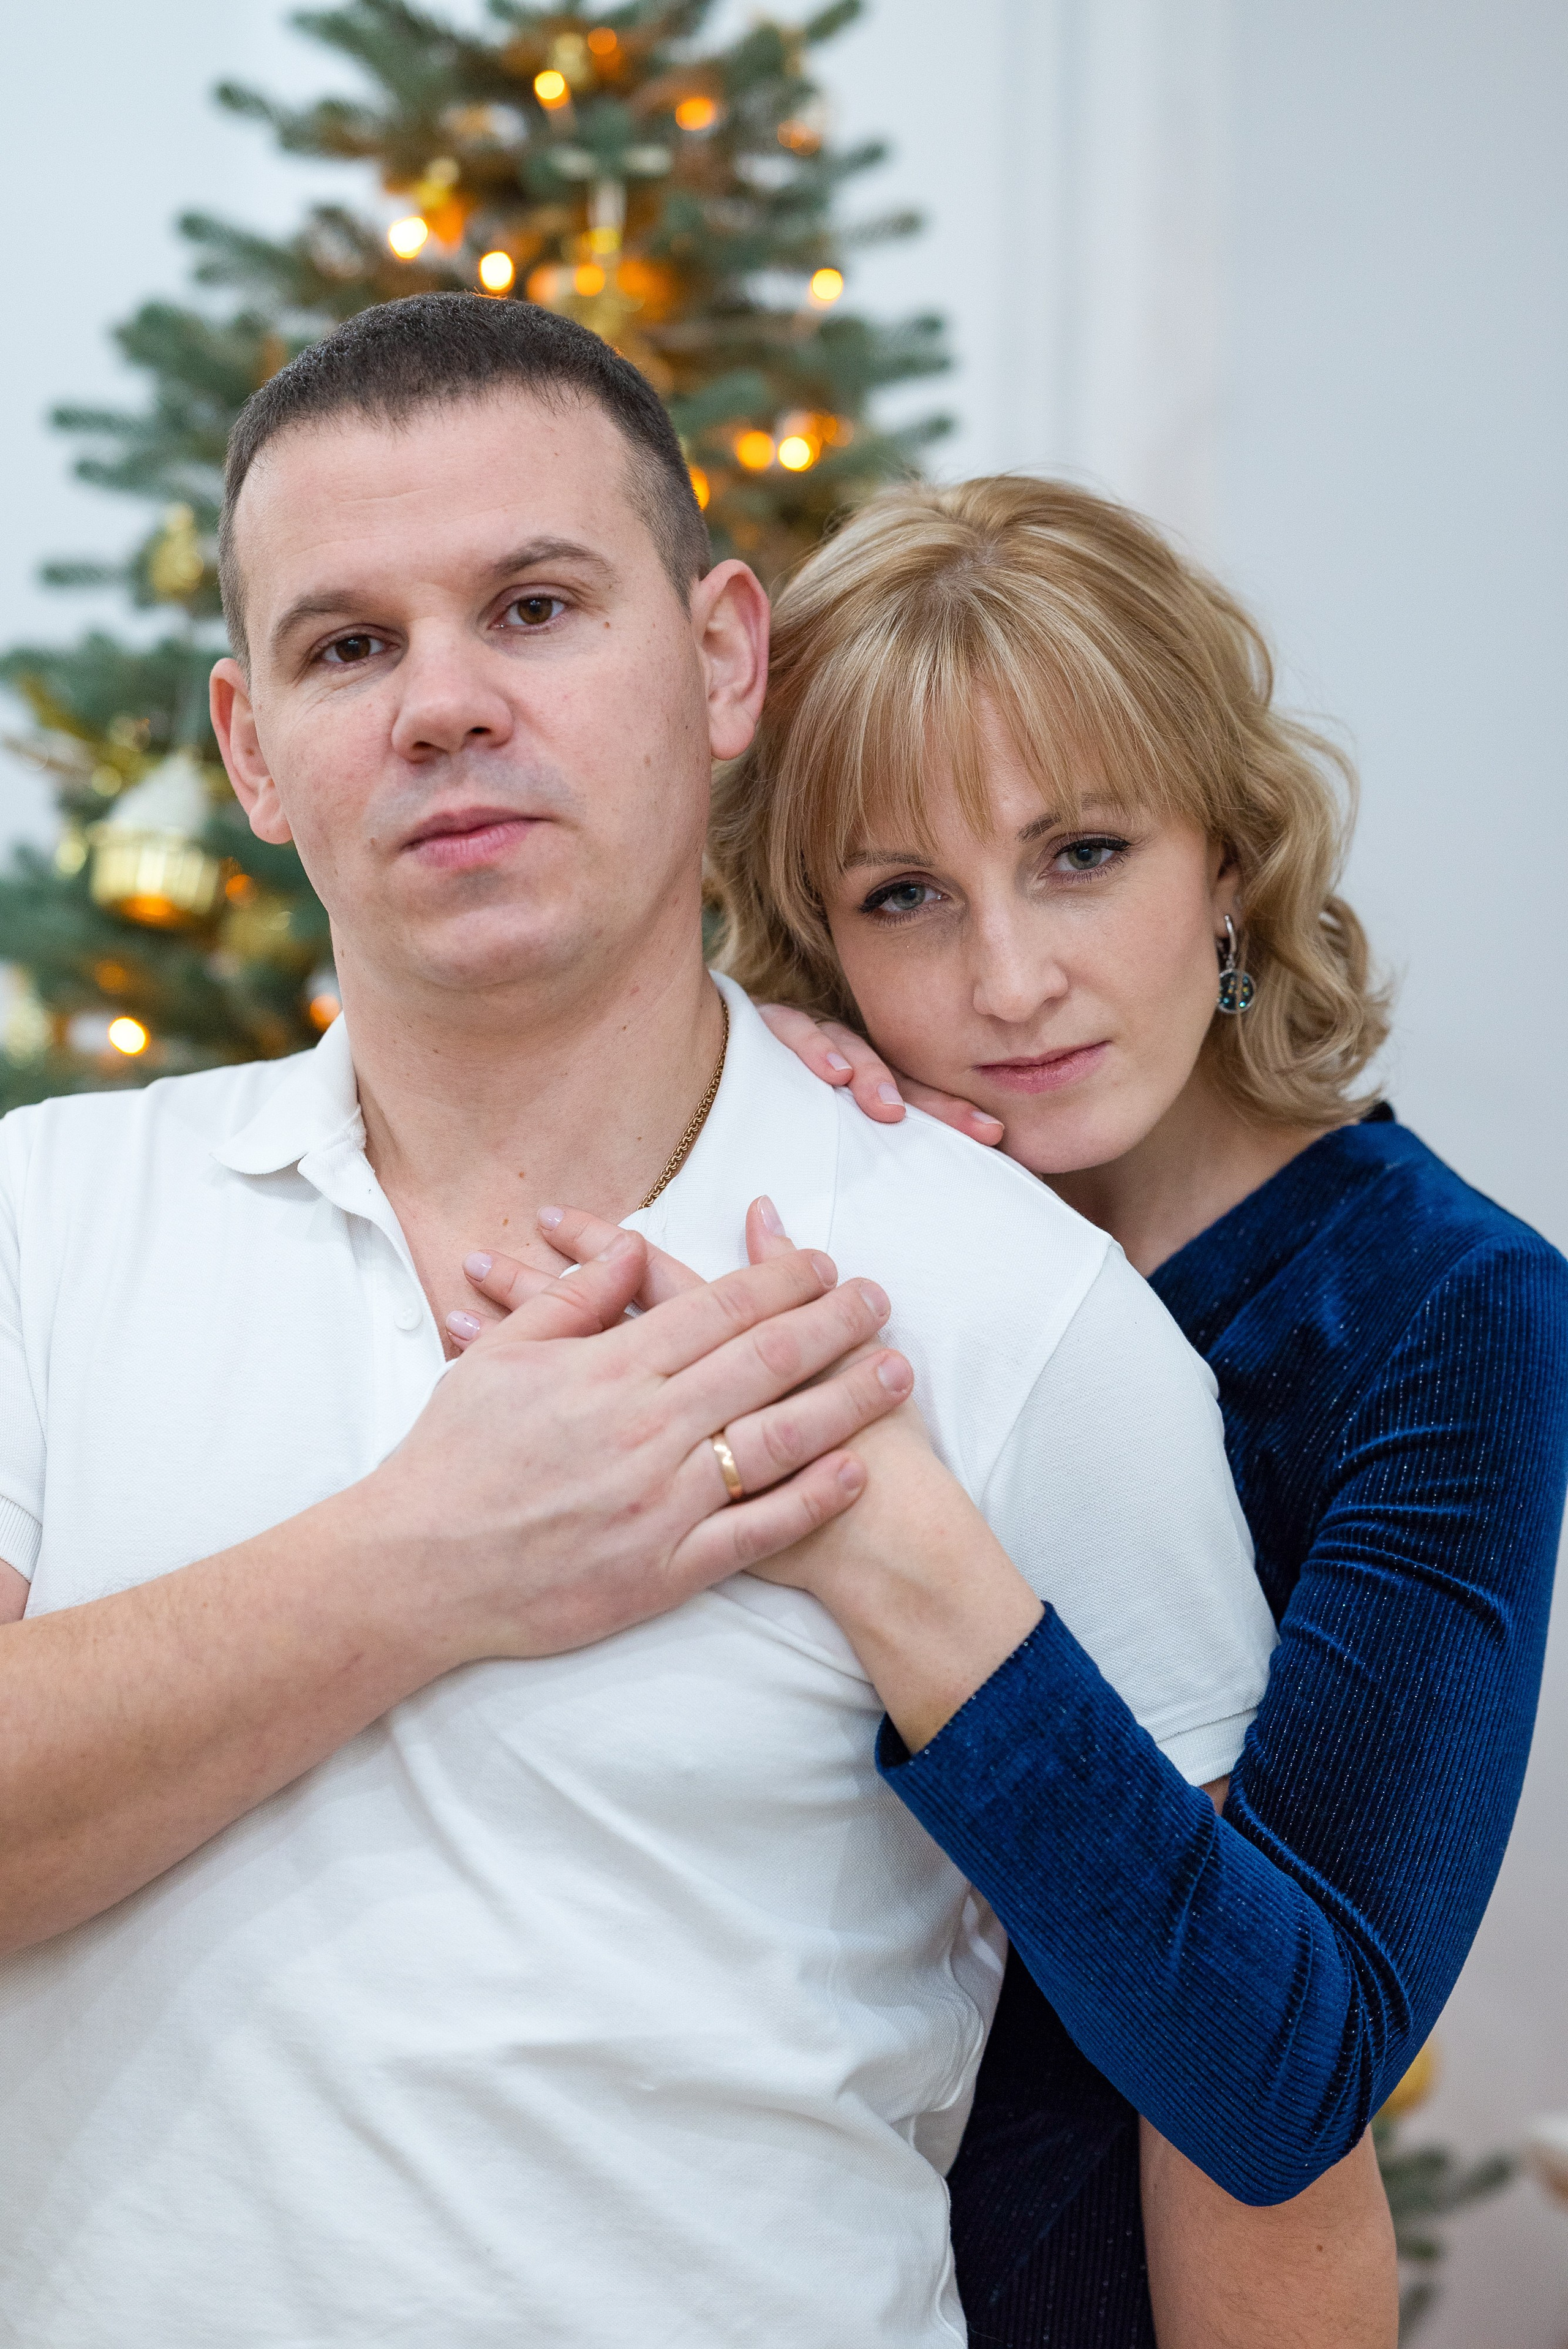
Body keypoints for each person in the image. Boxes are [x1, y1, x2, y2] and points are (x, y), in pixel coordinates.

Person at [0, 298, 1314, 2348]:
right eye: (349, 645)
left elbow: (1248, 2133)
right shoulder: (41, 1221)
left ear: (721, 659)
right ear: (253, 747)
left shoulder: (1018, 1305)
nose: (442, 704)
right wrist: (431, 1557)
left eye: (533, 606)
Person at [698, 472, 1568, 2344]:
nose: (1010, 978)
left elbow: (1283, 2078)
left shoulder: (1444, 1313)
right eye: (905, 896)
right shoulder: (800, 1234)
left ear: (1231, 863)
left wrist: (923, 1561)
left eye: (1083, 851)